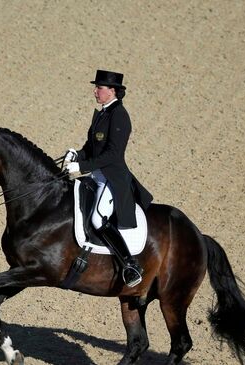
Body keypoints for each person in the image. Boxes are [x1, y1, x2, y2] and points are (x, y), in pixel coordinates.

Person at [64, 70, 153, 287]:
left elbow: (113, 154)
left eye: (99, 88)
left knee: (97, 218)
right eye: (96, 88)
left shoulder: (119, 115)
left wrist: (81, 166)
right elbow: (91, 148)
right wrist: (77, 154)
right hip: (96, 173)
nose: (95, 91)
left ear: (112, 91)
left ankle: (130, 265)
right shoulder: (102, 114)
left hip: (111, 178)